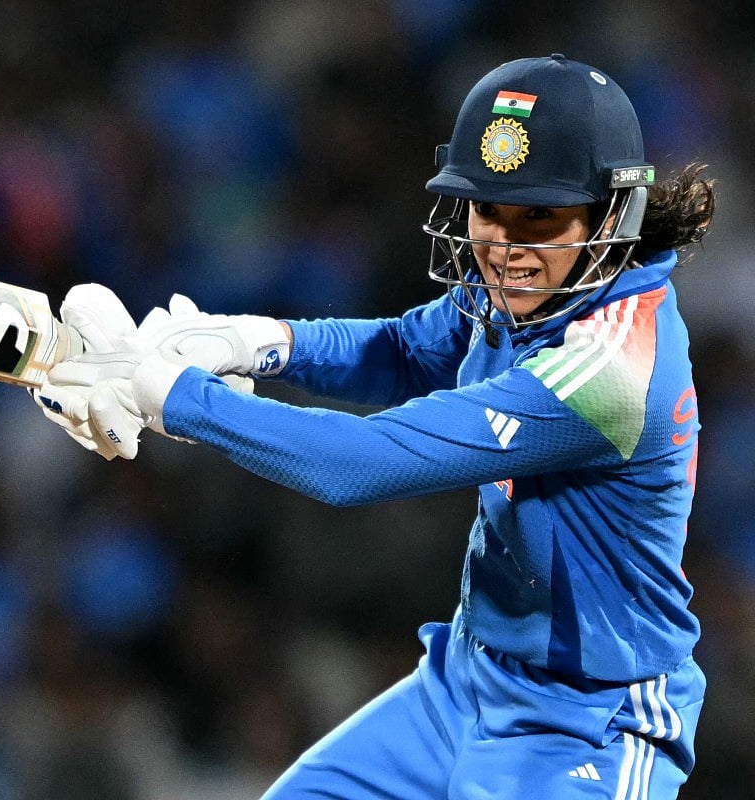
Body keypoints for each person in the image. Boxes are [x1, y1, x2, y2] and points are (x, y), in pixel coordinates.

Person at [36, 54, 715, 799]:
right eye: (488, 210)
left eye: (539, 216)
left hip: (592, 722)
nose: (503, 248)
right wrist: (253, 341)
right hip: (467, 680)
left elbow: (361, 462)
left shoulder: (614, 370)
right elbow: (404, 349)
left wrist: (178, 396)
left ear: (613, 215)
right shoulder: (535, 290)